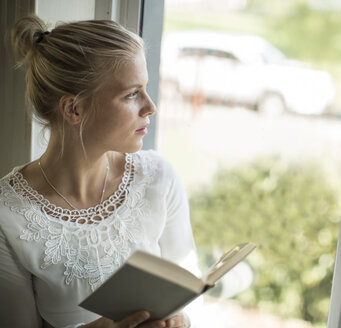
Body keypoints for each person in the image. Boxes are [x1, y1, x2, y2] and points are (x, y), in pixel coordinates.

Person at [0, 15, 199, 328]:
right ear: (74, 109)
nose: (150, 106)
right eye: (132, 93)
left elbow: (191, 292)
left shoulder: (158, 178)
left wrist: (180, 321)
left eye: (145, 89)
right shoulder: (7, 215)